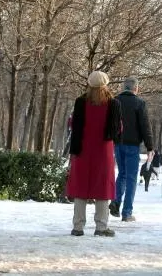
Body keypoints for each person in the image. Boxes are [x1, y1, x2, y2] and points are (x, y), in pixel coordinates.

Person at [66, 71, 122, 237]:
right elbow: (118, 129)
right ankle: (101, 226)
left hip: (82, 149)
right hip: (103, 149)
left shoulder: (80, 102)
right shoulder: (113, 104)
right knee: (103, 187)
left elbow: (73, 124)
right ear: (106, 84)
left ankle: (78, 226)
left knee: (81, 186)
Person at [109, 77, 154, 222]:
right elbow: (145, 126)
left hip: (118, 144)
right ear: (136, 89)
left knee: (121, 174)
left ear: (123, 88)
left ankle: (115, 202)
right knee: (131, 178)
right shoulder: (139, 103)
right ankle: (127, 212)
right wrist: (150, 147)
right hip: (133, 145)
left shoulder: (114, 101)